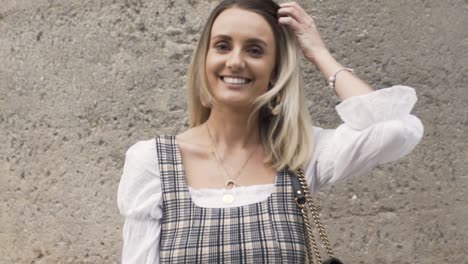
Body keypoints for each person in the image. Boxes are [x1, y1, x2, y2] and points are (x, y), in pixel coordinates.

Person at [117, 0, 424, 263]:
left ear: (275, 69)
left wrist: (318, 53)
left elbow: (396, 128)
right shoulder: (153, 163)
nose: (235, 61)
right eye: (222, 45)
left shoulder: (300, 153)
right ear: (205, 59)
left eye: (255, 50)